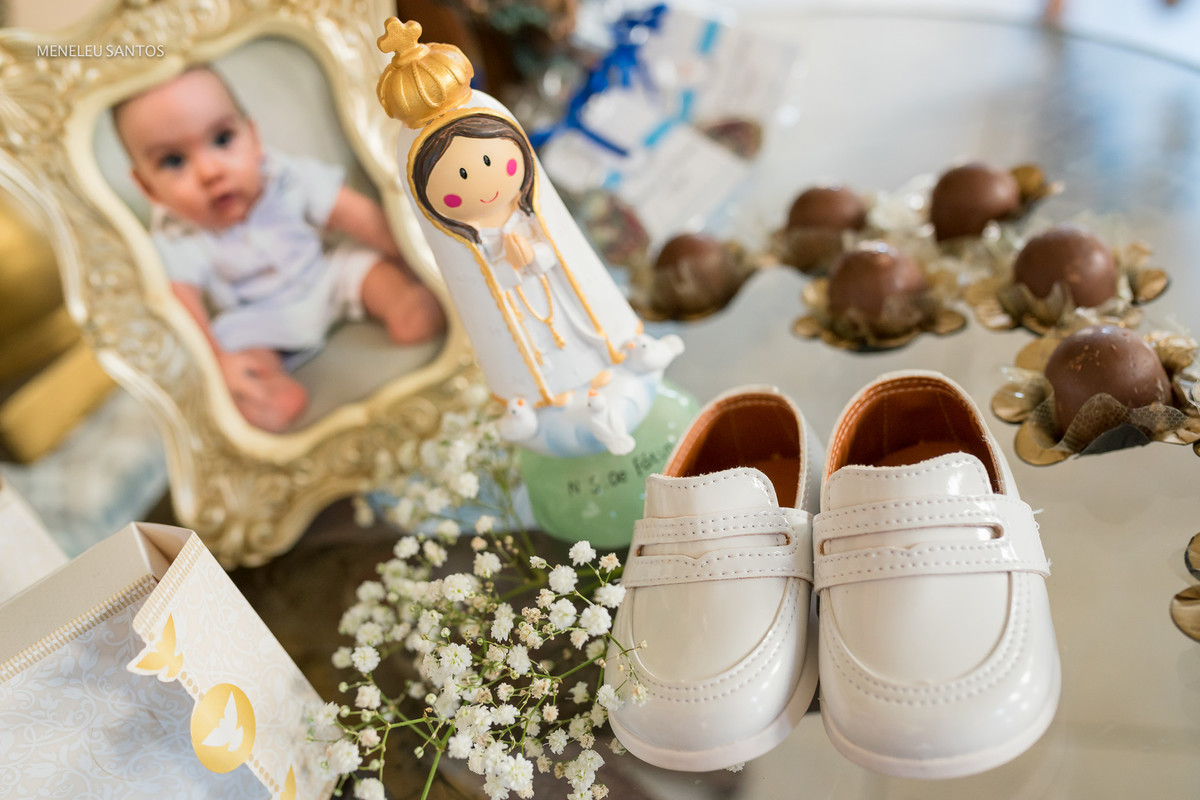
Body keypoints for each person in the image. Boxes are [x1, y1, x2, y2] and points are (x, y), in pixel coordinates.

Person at [113, 66, 445, 432]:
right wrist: (219, 362)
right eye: (173, 161)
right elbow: (183, 306)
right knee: (232, 350)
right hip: (260, 317)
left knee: (370, 269)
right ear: (147, 187)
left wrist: (418, 254)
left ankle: (406, 303)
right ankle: (267, 389)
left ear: (253, 138)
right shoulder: (175, 235)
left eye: (223, 139)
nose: (209, 171)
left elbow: (358, 216)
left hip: (326, 275)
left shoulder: (286, 177)